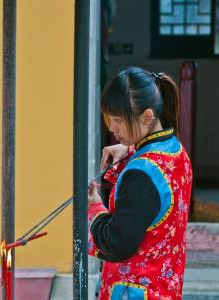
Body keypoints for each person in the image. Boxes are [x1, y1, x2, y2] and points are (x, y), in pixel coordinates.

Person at [87, 67, 193, 300]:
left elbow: (117, 244)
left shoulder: (141, 175)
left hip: (133, 291)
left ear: (147, 116)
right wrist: (133, 152)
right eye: (109, 119)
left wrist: (94, 208)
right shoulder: (176, 151)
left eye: (118, 121)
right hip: (164, 288)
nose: (112, 129)